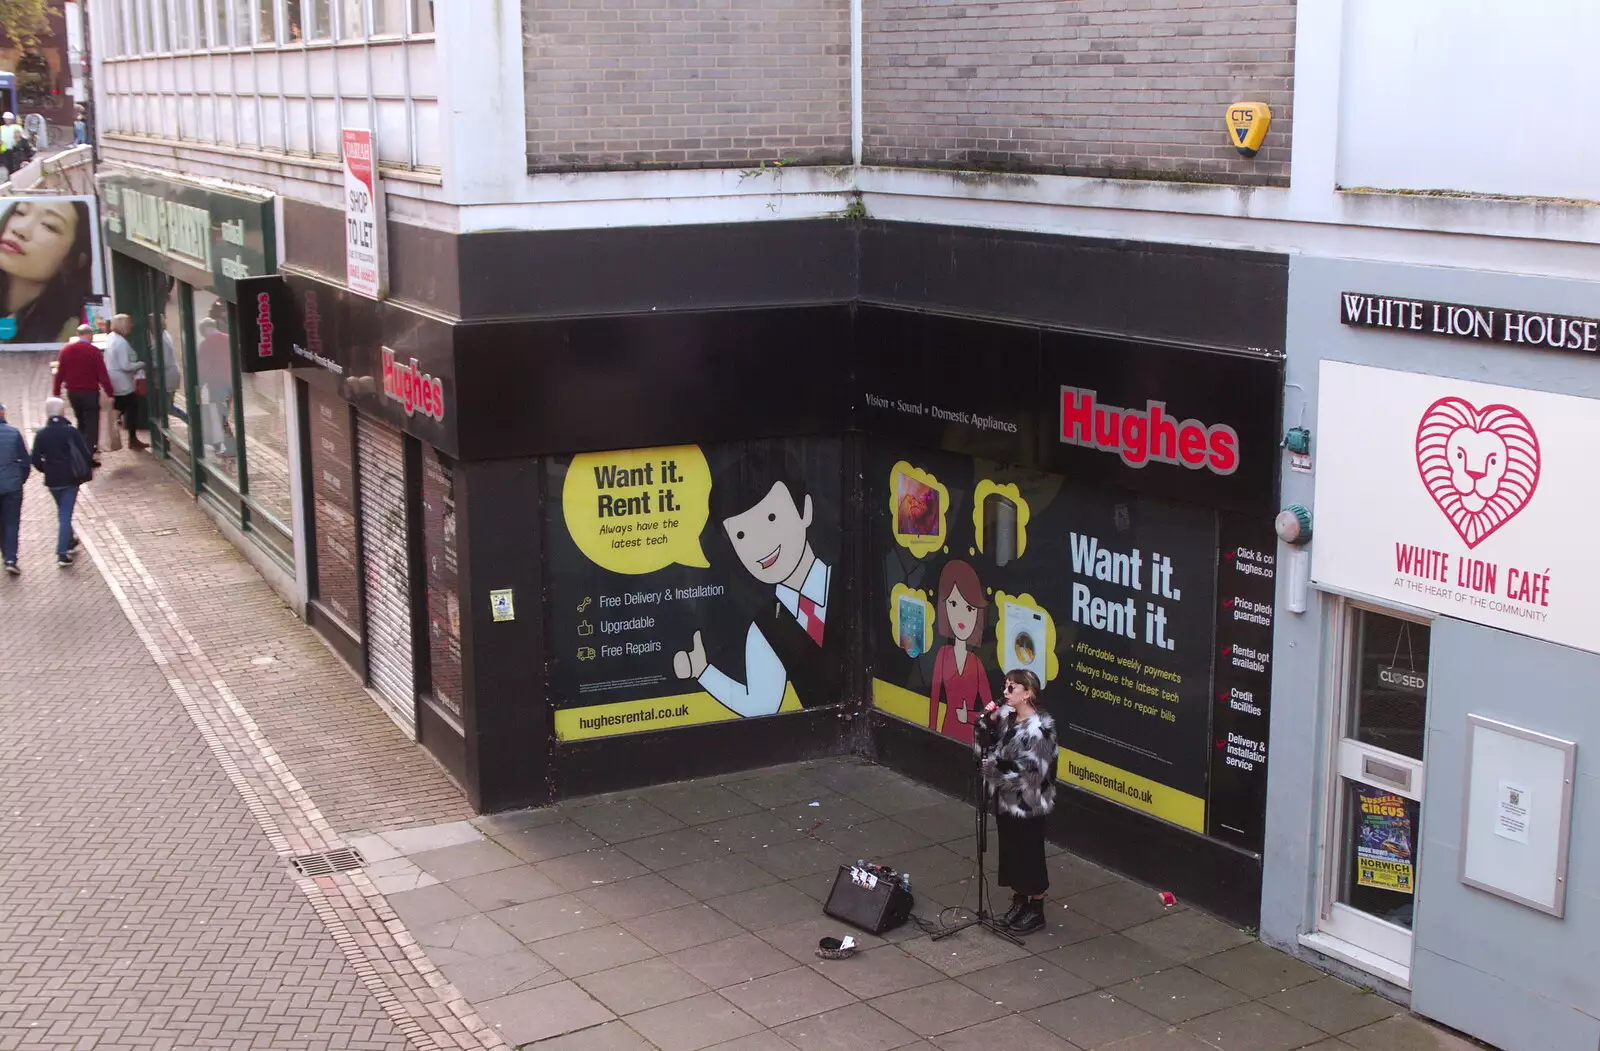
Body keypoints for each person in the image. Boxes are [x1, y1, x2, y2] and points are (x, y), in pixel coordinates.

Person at [672, 447, 836, 716]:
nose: (759, 544)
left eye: (771, 518)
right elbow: (761, 705)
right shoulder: (765, 627)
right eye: (741, 535)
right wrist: (702, 672)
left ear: (805, 510)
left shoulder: (847, 582)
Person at [979, 669, 1058, 935]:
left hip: (1028, 804)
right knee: (1011, 851)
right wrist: (985, 722)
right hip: (1005, 800)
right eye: (1005, 686)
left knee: (1029, 853)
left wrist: (993, 771)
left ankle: (1036, 909)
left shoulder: (1040, 732)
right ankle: (1019, 901)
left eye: (1012, 688)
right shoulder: (1005, 717)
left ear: (1028, 694)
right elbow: (986, 745)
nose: (1005, 692)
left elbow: (1032, 776)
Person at [0, 198, 95, 346]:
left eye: (49, 226)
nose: (20, 230)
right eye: (20, 212)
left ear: (70, 260)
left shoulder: (69, 334)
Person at [928, 559, 994, 745]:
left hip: (968, 737)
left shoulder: (977, 663)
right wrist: (931, 734)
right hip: (946, 731)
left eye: (969, 608)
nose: (961, 617)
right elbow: (934, 701)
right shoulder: (942, 655)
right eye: (954, 604)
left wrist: (970, 717)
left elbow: (991, 710)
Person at [30, 396, 92, 567]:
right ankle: (62, 552)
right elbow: (85, 453)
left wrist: (47, 469)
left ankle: (70, 540)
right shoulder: (70, 431)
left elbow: (35, 459)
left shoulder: (42, 434)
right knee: (65, 515)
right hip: (70, 479)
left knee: (62, 512)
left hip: (52, 481)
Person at [53, 322, 114, 464]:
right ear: (89, 334)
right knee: (92, 425)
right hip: (90, 393)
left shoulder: (66, 350)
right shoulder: (93, 351)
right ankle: (88, 456)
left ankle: (80, 451)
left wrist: (56, 391)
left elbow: (60, 372)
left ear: (77, 335)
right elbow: (102, 374)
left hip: (73, 393)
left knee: (81, 422)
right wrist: (110, 391)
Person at [103, 314, 147, 450]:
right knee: (131, 408)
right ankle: (132, 440)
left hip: (115, 380)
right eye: (128, 323)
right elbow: (125, 365)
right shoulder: (120, 342)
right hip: (123, 383)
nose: (131, 326)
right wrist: (141, 364)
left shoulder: (111, 338)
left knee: (120, 407)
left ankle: (128, 438)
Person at [0, 401, 29, 574]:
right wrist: (20, 480)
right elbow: (25, 462)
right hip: (12, 487)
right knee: (11, 523)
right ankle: (11, 558)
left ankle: (5, 552)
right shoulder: (13, 433)